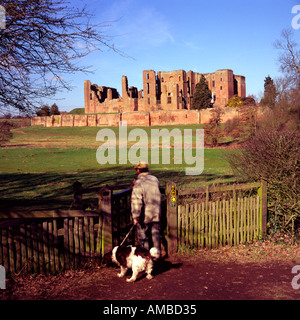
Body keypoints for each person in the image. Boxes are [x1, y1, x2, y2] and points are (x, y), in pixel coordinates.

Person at [131, 161, 161, 258]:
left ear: (138, 170)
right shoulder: (154, 179)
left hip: (145, 215)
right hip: (156, 212)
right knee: (156, 234)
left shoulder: (139, 183)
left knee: (143, 237)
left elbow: (137, 201)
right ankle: (157, 256)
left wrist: (136, 216)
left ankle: (145, 257)